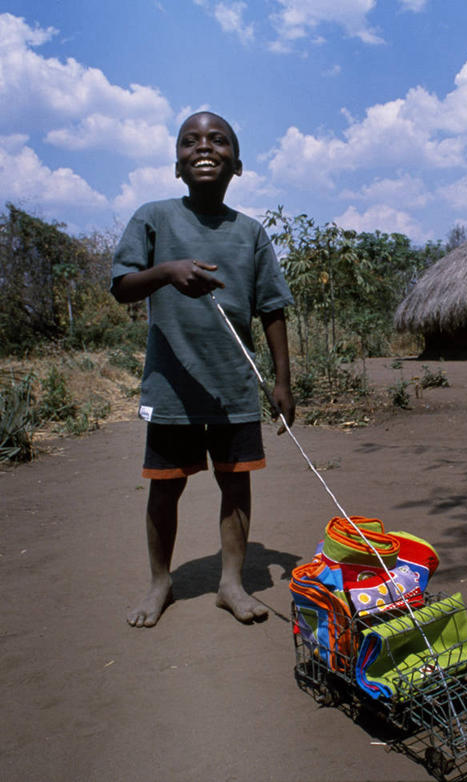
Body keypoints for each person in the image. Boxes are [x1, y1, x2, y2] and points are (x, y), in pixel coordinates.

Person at [111, 111, 295, 627]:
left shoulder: (251, 233)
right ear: (177, 166)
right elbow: (122, 285)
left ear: (238, 163)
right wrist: (168, 272)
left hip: (235, 386)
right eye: (190, 141)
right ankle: (159, 581)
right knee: (165, 484)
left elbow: (272, 309)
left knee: (236, 484)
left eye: (218, 140)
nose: (204, 147)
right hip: (172, 387)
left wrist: (282, 381)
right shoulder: (155, 217)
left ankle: (231, 583)